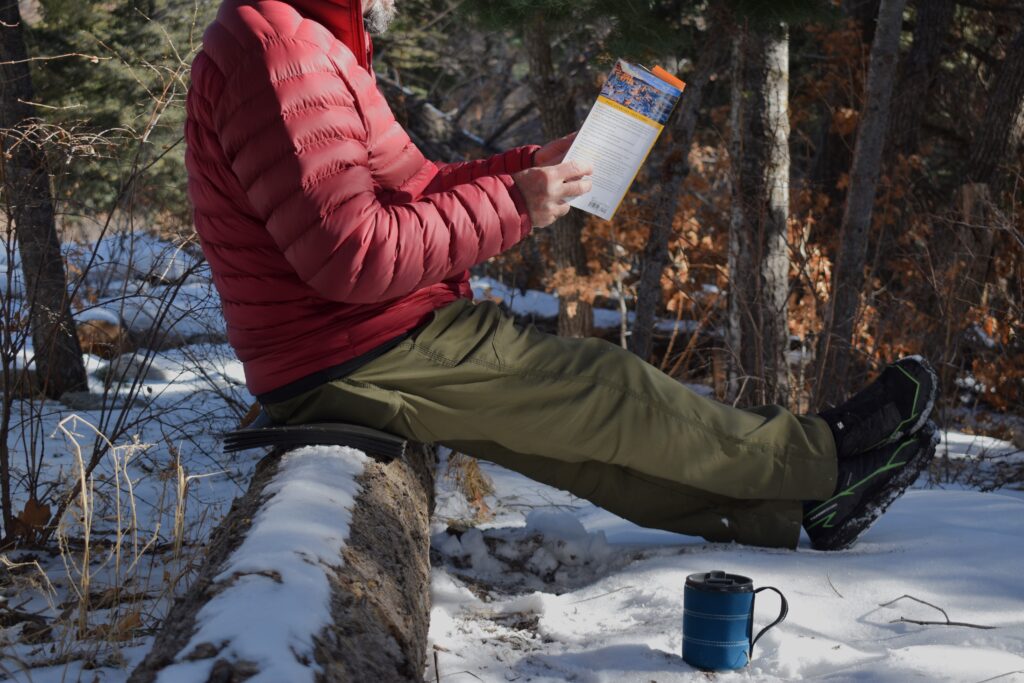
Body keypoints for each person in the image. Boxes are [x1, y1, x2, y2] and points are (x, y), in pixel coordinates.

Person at [184, 0, 939, 552]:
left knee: (586, 451)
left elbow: (411, 189)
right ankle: (823, 454)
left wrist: (528, 167)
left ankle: (797, 510)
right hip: (354, 344)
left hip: (355, 337)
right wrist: (516, 204)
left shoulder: (309, 42)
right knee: (609, 391)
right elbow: (353, 254)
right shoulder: (279, 48)